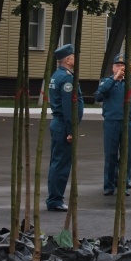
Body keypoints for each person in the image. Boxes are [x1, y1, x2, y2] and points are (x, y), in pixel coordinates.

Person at [95, 53, 131, 196]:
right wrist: (114, 79)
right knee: (110, 154)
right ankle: (109, 185)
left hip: (128, 122)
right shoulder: (107, 81)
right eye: (117, 66)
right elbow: (98, 96)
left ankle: (124, 183)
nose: (120, 68)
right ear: (113, 68)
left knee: (126, 154)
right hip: (111, 122)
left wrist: (129, 80)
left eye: (123, 66)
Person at [46, 44, 84, 211]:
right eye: (74, 56)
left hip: (58, 123)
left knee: (56, 162)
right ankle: (55, 200)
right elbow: (69, 107)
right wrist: (71, 131)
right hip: (63, 125)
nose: (75, 59)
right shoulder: (67, 78)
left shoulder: (57, 75)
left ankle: (54, 197)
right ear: (68, 60)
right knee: (61, 164)